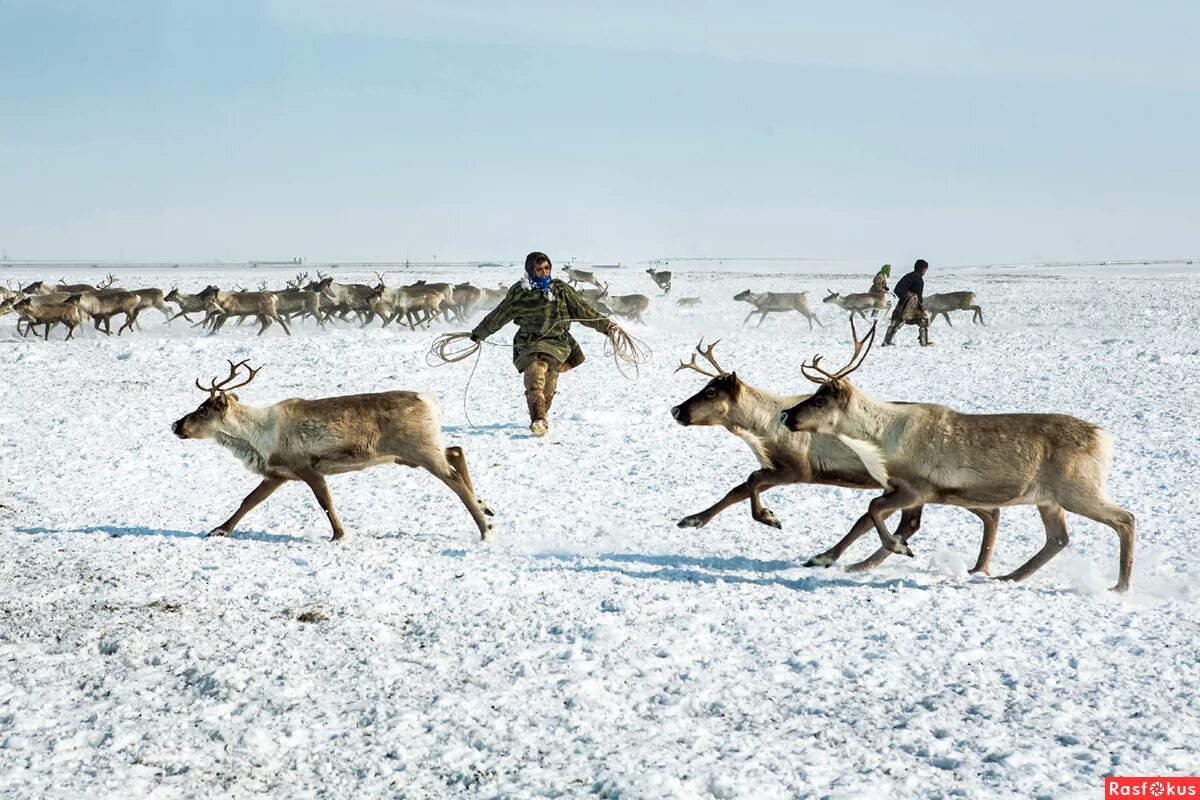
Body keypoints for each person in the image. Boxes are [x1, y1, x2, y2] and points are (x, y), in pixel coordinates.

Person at [470, 252, 617, 437]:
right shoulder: (519, 292)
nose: (544, 272)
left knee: (549, 386)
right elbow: (500, 314)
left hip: (557, 343)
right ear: (530, 270)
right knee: (535, 372)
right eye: (539, 269)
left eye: (547, 268)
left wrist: (605, 325)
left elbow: (583, 311)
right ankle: (538, 420)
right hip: (530, 342)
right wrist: (480, 332)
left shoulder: (560, 289)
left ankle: (542, 415)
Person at [882, 259, 933, 347]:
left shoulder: (920, 280)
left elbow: (919, 296)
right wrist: (909, 296)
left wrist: (921, 306)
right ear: (919, 268)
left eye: (926, 269)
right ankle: (887, 341)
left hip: (916, 308)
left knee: (924, 321)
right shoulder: (909, 277)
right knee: (896, 324)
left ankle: (924, 342)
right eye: (924, 269)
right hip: (903, 307)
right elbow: (898, 289)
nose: (925, 271)